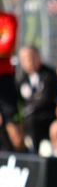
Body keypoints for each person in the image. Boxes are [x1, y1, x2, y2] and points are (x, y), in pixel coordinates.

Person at [16, 46, 57, 154]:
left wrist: (27, 111)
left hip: (48, 115)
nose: (30, 61)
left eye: (33, 57)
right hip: (29, 115)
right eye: (26, 59)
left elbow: (46, 99)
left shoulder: (49, 75)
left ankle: (35, 152)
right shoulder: (22, 78)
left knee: (32, 120)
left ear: (39, 57)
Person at [0, 9, 25, 152]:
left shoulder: (8, 19)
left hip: (4, 80)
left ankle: (23, 159)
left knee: (12, 124)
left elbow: (8, 47)